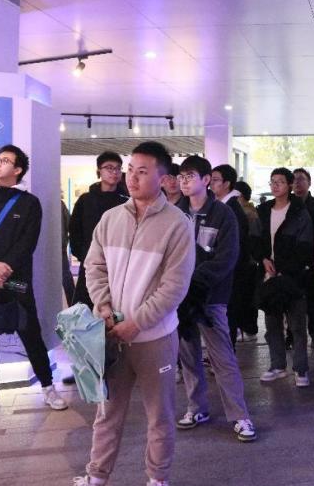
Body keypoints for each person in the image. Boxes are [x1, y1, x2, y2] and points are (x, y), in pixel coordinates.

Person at [74, 142, 195, 486]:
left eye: (142, 172)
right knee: (107, 412)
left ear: (162, 177)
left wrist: (137, 322)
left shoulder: (177, 224)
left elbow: (174, 286)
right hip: (111, 333)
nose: (132, 178)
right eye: (130, 170)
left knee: (160, 415)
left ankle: (157, 478)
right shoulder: (110, 218)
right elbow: (94, 266)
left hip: (155, 338)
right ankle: (97, 476)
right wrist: (104, 308)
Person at [0, 144, 67, 416]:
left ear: (18, 169)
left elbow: (27, 243)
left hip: (16, 280)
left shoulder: (29, 203)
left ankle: (48, 387)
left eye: (5, 160)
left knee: (30, 331)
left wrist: (4, 270)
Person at [174, 156, 257, 442]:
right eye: (181, 176)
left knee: (222, 358)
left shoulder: (223, 214)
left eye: (190, 176)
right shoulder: (175, 213)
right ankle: (197, 408)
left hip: (211, 297)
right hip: (180, 298)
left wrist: (196, 281)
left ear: (206, 180)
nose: (184, 181)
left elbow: (227, 257)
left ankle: (240, 415)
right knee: (188, 357)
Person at [256, 167, 314, 387]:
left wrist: (284, 268)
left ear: (290, 185)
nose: (275, 186)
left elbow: (305, 246)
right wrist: (263, 259)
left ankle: (301, 369)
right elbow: (255, 240)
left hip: (293, 277)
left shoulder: (299, 212)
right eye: (272, 182)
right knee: (272, 324)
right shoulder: (263, 210)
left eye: (280, 182)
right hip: (269, 276)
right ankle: (277, 365)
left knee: (297, 325)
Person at [69, 151, 129, 307]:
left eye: (118, 168)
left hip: (119, 264)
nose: (114, 172)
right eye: (109, 168)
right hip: (90, 263)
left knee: (117, 307)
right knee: (86, 308)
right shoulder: (86, 200)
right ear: (99, 171)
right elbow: (75, 230)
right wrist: (83, 255)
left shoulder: (127, 202)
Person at [211, 164, 253, 346]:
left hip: (231, 272)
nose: (211, 184)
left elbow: (236, 246)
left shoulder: (231, 209)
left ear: (227, 183)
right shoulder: (222, 206)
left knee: (228, 316)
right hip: (225, 271)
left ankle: (226, 355)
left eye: (215, 180)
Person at [292, 168, 314, 349]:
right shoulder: (286, 204)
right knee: (291, 300)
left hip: (313, 261)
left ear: (309, 182)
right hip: (292, 262)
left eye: (301, 179)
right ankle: (291, 335)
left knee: (313, 300)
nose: (297, 183)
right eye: (294, 180)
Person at [234, 180, 262, 338]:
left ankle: (246, 327)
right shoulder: (252, 211)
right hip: (250, 261)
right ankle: (248, 328)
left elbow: (253, 239)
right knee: (248, 297)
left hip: (246, 261)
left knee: (245, 297)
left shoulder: (246, 213)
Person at [60, 196, 75, 304]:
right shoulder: (60, 204)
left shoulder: (60, 204)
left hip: (59, 247)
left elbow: (70, 224)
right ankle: (73, 304)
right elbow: (70, 224)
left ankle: (73, 303)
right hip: (60, 247)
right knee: (66, 277)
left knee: (66, 277)